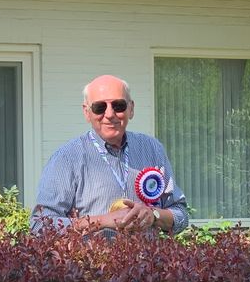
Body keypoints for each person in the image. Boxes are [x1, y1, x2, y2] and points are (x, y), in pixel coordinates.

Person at [32, 75, 189, 236]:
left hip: (147, 253)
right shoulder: (67, 158)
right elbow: (39, 226)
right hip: (92, 254)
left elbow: (181, 215)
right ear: (87, 112)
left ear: (131, 109)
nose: (109, 114)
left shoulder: (152, 149)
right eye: (99, 107)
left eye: (118, 105)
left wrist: (153, 215)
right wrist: (101, 221)